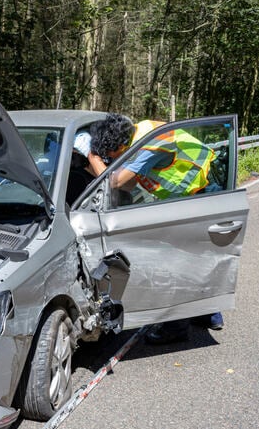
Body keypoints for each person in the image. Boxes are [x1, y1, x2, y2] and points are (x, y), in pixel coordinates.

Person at [86, 114, 224, 344]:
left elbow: (117, 182)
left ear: (120, 145)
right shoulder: (140, 134)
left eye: (112, 157)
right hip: (197, 193)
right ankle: (209, 314)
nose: (112, 161)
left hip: (200, 194)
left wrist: (91, 157)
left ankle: (176, 329)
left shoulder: (148, 146)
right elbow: (129, 183)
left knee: (177, 263)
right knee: (200, 258)